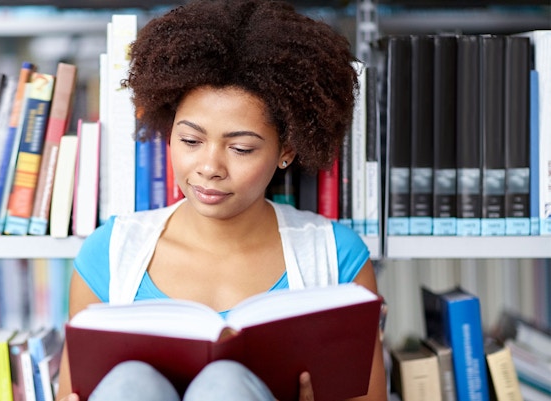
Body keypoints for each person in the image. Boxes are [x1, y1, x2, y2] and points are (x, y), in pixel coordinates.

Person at [56, 0, 387, 399]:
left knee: (225, 387)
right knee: (131, 384)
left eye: (242, 149)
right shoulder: (109, 255)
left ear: (287, 150)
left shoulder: (337, 259)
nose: (210, 167)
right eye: (191, 140)